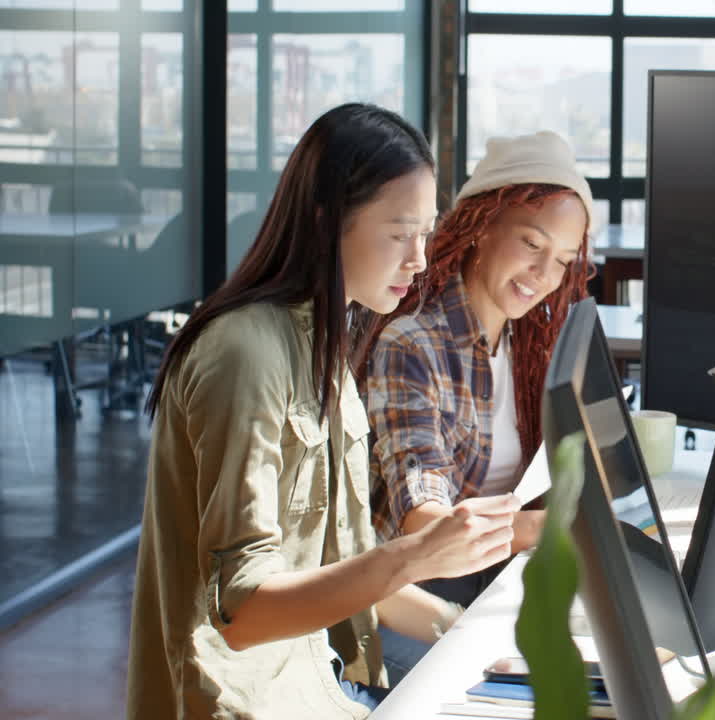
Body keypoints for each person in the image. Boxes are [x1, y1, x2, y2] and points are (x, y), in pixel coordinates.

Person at [126, 103, 519, 718]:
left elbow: (353, 566)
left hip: (321, 683)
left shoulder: (326, 341)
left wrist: (466, 630)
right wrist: (417, 554)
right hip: (245, 702)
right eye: (398, 234)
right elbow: (245, 611)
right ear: (325, 221)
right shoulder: (244, 354)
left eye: (426, 232)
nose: (418, 259)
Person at [359, 130, 594, 608]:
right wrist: (542, 528)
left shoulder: (527, 344)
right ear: (483, 226)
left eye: (563, 261)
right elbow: (424, 523)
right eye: (532, 244)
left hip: (496, 581)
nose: (545, 275)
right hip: (417, 599)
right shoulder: (413, 344)